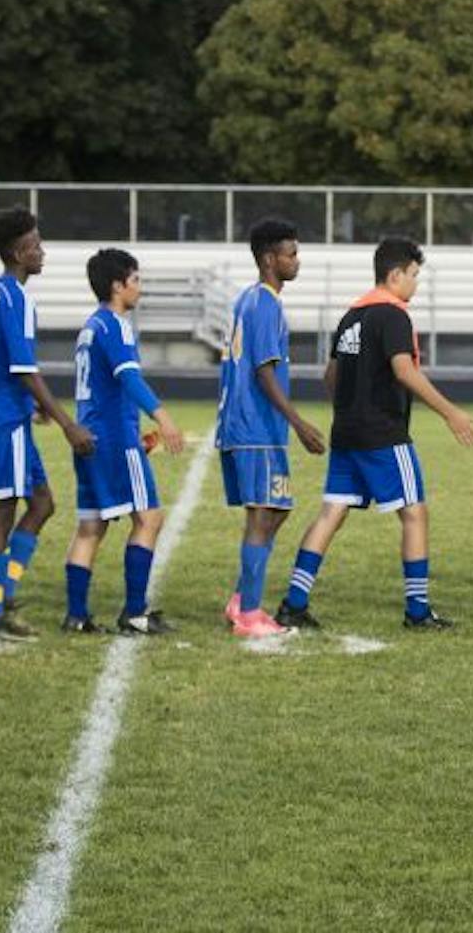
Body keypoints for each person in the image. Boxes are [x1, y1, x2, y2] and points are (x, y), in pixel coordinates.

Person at [274, 237, 473, 630]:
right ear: (396, 274)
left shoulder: (351, 315)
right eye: (414, 276)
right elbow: (405, 371)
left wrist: (349, 409)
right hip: (383, 434)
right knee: (415, 514)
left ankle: (294, 602)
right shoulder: (393, 315)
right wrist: (451, 412)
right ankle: (417, 611)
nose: (416, 284)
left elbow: (330, 375)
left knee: (332, 512)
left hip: (347, 432)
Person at [0, 206, 93, 641]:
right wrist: (66, 423)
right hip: (3, 421)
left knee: (42, 504)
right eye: (36, 245)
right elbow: (24, 369)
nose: (42, 251)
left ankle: (2, 595)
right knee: (2, 513)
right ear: (19, 252)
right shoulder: (16, 298)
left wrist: (31, 406)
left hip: (3, 415)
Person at [62, 249, 186, 635]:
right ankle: (135, 612)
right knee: (149, 518)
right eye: (136, 281)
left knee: (91, 527)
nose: (140, 289)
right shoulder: (115, 325)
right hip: (115, 439)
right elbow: (129, 379)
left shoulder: (90, 327)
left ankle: (77, 615)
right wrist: (162, 417)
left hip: (89, 437)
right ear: (118, 286)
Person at [215, 218, 323, 639]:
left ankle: (243, 599)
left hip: (252, 426)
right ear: (268, 259)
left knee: (275, 508)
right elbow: (264, 372)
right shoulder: (264, 304)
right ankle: (251, 613)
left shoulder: (249, 299)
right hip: (254, 426)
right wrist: (298, 423)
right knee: (264, 512)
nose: (297, 260)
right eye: (290, 253)